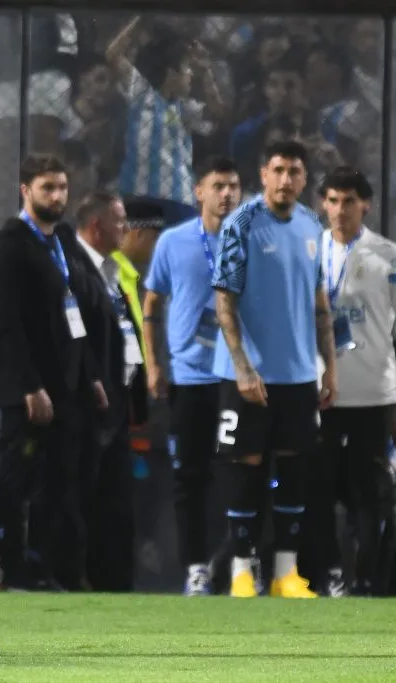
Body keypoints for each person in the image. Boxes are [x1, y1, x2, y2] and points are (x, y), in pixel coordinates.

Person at [212, 140, 337, 599]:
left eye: (295, 172)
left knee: (293, 469)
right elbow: (224, 300)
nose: (286, 179)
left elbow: (320, 304)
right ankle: (243, 572)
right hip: (252, 377)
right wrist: (243, 368)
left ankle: (286, 573)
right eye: (278, 170)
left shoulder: (311, 224)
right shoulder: (241, 223)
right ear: (264, 174)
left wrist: (330, 368)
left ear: (305, 180)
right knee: (246, 468)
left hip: (300, 375)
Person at [0, 155, 106, 594]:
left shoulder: (62, 243)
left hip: (67, 385)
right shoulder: (6, 248)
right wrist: (29, 386)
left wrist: (89, 375)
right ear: (25, 191)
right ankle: (13, 570)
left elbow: (77, 317)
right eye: (47, 187)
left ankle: (48, 566)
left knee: (60, 480)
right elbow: (2, 326)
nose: (57, 196)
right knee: (19, 480)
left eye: (62, 187)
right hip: (28, 391)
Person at [142, 156, 242, 595]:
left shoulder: (250, 240)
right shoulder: (174, 241)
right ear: (199, 191)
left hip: (238, 378)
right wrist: (154, 363)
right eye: (218, 185)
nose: (226, 194)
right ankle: (196, 567)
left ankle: (241, 565)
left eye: (233, 186)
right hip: (189, 378)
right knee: (190, 478)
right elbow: (152, 305)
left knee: (243, 473)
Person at [306, 167, 396, 597]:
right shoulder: (309, 252)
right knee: (320, 489)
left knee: (369, 492)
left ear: (367, 205)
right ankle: (328, 574)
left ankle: (366, 579)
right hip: (321, 392)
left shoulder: (387, 256)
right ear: (323, 204)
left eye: (350, 201)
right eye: (333, 200)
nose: (340, 210)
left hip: (375, 394)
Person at [64, 190, 144, 592]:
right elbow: (75, 334)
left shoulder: (112, 269)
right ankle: (80, 575)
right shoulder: (74, 268)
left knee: (116, 497)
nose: (126, 228)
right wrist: (94, 379)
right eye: (119, 220)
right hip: (89, 403)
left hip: (118, 400)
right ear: (97, 226)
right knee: (86, 493)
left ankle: (112, 579)